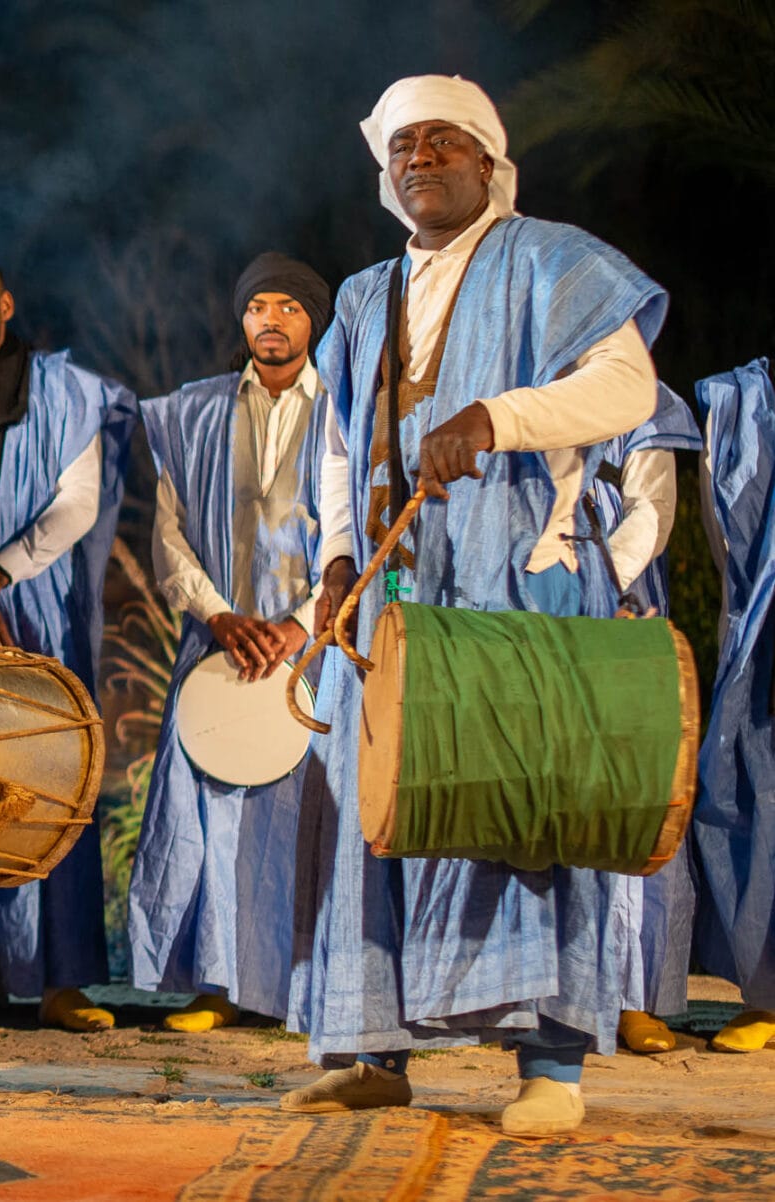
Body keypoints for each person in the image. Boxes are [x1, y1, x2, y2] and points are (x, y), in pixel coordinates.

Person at [282, 76, 666, 1137]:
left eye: (445, 142)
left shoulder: (554, 257)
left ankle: (552, 1064)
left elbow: (627, 389)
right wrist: (337, 556)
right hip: (396, 591)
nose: (421, 160)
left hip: (517, 579)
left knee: (526, 795)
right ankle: (373, 1049)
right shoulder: (361, 297)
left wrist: (499, 417)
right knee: (377, 798)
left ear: (491, 162)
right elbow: (335, 449)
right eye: (404, 146)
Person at [129, 252, 333, 1034]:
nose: (270, 321)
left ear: (312, 320)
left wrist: (301, 625)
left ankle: (312, 991)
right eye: (257, 308)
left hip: (317, 650)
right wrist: (218, 618)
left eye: (287, 307)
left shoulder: (349, 411)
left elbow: (374, 536)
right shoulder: (195, 413)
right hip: (220, 645)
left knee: (310, 814)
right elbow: (169, 534)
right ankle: (217, 983)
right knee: (214, 812)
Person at [0, 247, 131, 1033]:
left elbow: (75, 506)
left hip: (31, 609)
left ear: (5, 307)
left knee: (49, 779)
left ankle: (62, 978)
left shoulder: (65, 392)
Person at [570, 382, 702, 1055]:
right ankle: (537, 995)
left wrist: (592, 591)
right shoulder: (515, 373)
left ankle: (631, 998)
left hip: (617, 607)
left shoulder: (644, 400)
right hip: (527, 604)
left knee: (629, 794)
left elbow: (651, 510)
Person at [691, 359, 775, 1055]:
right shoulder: (739, 402)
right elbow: (729, 546)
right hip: (759, 634)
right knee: (751, 797)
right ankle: (768, 993)